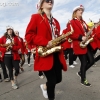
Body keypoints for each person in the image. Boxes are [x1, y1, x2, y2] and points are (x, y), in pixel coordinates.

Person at [25, 0, 67, 100]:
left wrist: (62, 39)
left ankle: (44, 86)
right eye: (47, 0)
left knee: (59, 79)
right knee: (52, 81)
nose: (50, 1)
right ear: (41, 4)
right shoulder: (36, 17)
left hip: (56, 53)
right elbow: (29, 35)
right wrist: (45, 42)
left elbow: (56, 36)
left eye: (51, 0)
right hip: (45, 53)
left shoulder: (55, 21)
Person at [67, 5, 95, 87]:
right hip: (79, 45)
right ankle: (83, 79)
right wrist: (80, 37)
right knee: (83, 62)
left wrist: (89, 35)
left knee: (92, 61)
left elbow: (85, 32)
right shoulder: (71, 22)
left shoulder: (83, 22)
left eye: (82, 10)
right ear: (75, 12)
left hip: (86, 44)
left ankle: (80, 73)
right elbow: (70, 34)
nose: (81, 11)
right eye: (79, 10)